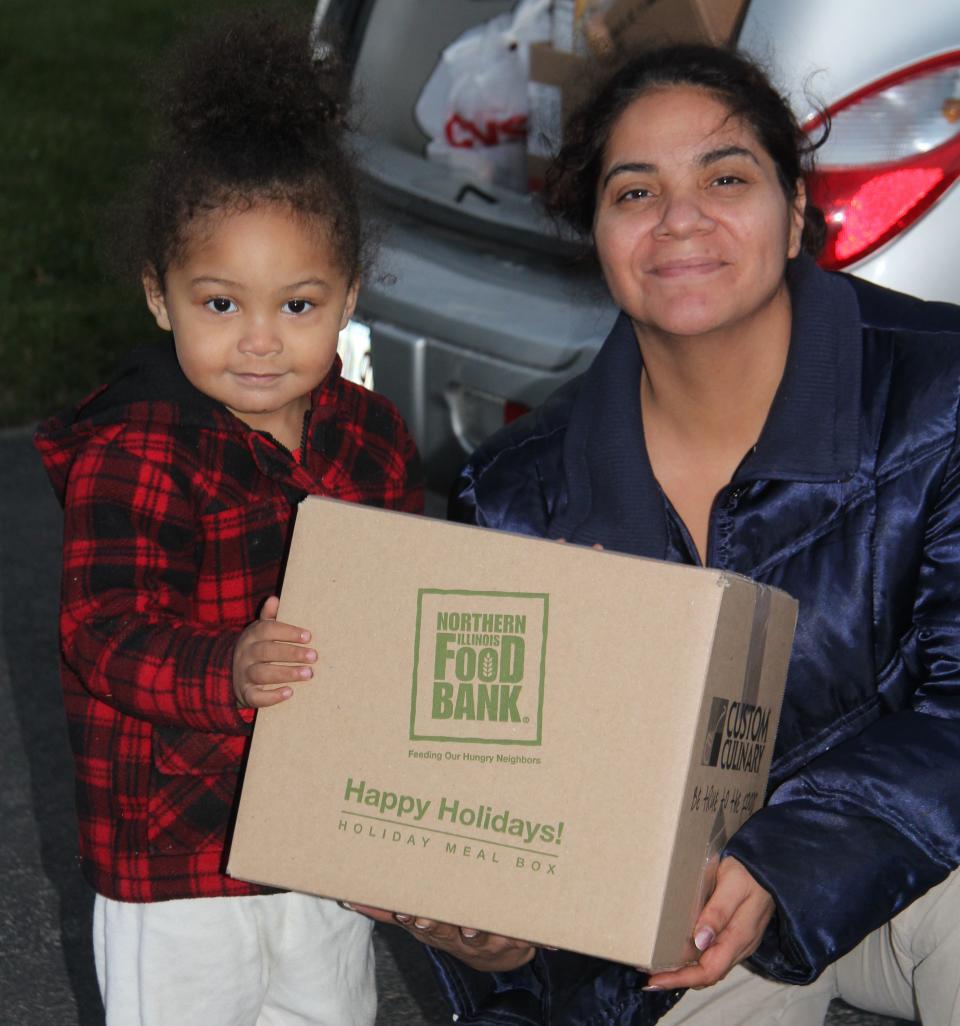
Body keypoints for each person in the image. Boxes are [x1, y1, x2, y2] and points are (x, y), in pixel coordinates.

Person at [353, 43, 960, 1026]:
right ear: (592, 233)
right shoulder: (514, 502)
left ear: (796, 210)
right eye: (635, 193)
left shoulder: (940, 393)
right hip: (695, 926)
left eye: (726, 178)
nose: (682, 219)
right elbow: (519, 820)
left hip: (926, 862)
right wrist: (505, 943)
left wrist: (785, 858)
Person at [34, 11, 422, 1026]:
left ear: (347, 298)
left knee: (330, 1011)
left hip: (318, 840)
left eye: (296, 305)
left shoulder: (370, 438)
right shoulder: (139, 448)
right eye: (220, 304)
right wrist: (228, 671)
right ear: (159, 298)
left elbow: (409, 605)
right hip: (175, 854)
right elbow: (99, 631)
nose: (259, 341)